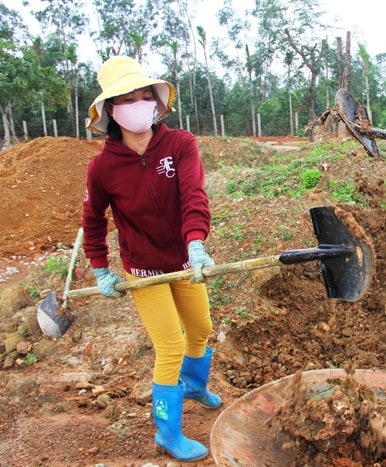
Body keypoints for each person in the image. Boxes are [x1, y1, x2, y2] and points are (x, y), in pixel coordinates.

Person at [82, 56, 220, 461]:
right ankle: (167, 433)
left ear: (157, 103)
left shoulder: (180, 144)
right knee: (171, 346)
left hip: (183, 260)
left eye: (146, 95)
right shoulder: (103, 166)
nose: (139, 104)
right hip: (144, 269)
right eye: (127, 98)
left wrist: (195, 242)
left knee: (201, 328)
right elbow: (93, 221)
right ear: (111, 110)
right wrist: (100, 269)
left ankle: (193, 387)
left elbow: (194, 195)